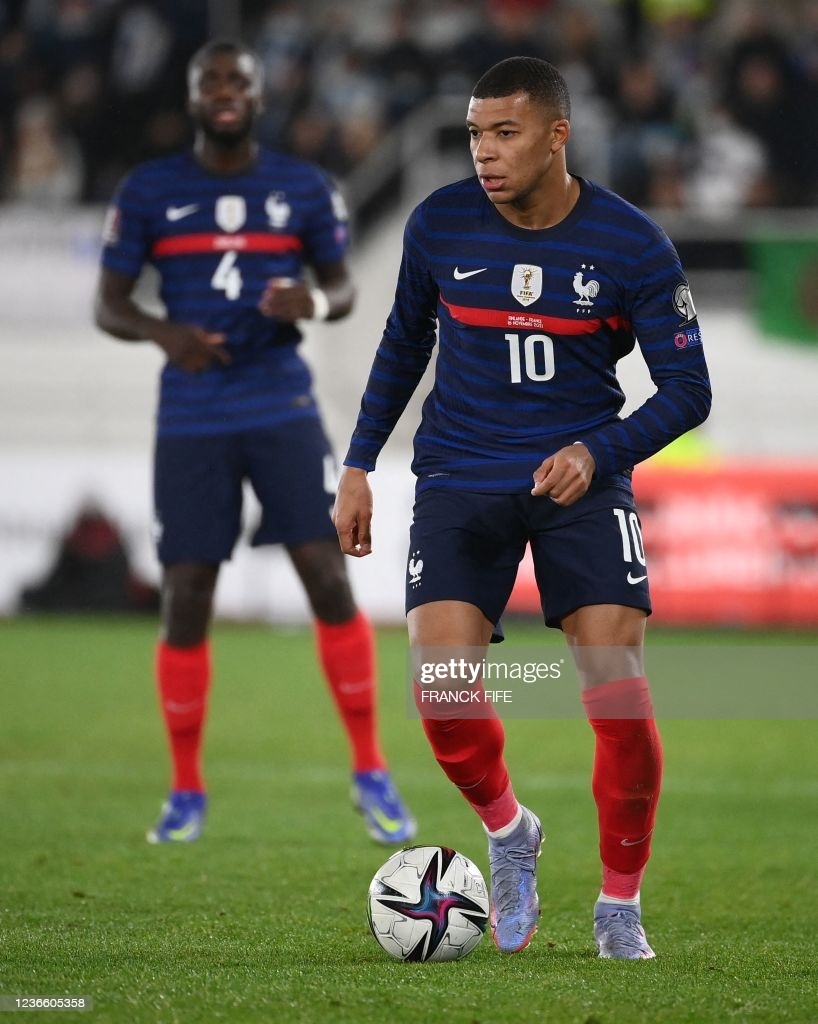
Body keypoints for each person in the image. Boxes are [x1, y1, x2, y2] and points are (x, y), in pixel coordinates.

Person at [333, 56, 711, 958]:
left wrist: (599, 451)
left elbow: (687, 389)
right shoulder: (438, 223)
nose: (485, 154)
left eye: (504, 134)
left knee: (618, 697)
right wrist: (356, 465)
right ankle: (510, 833)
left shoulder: (631, 243)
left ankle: (619, 904)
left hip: (579, 475)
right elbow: (400, 346)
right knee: (442, 691)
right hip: (461, 473)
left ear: (557, 135)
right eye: (474, 135)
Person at [93, 39, 415, 847]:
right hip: (192, 412)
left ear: (259, 96)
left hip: (279, 402)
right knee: (188, 591)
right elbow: (109, 304)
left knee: (324, 574)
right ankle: (185, 789)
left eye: (239, 81)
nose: (226, 92)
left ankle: (371, 769)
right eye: (212, 82)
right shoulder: (150, 189)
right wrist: (166, 332)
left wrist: (309, 298)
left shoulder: (304, 187)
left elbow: (342, 289)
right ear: (196, 96)